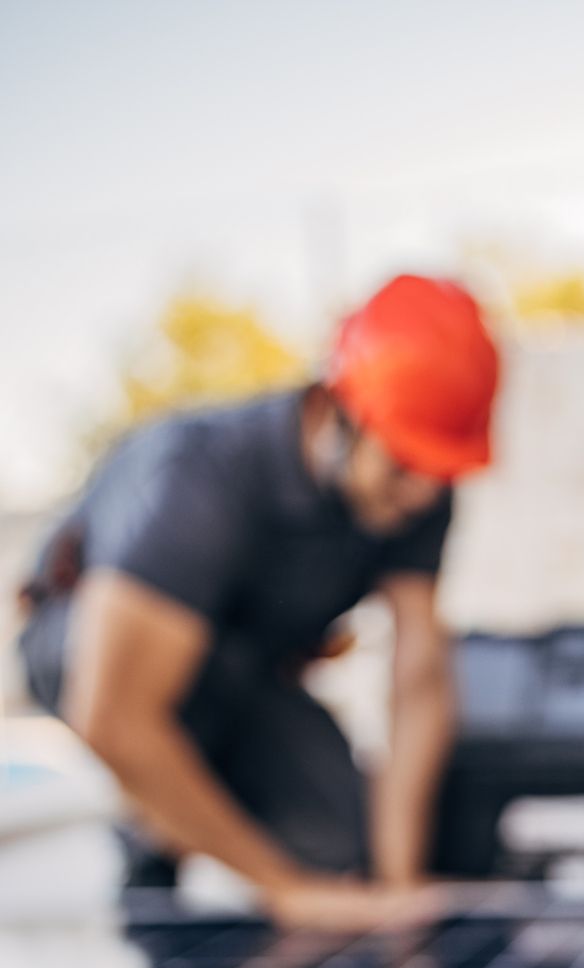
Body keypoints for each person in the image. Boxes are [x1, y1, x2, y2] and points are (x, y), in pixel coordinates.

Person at [18, 273, 499, 931]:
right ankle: (152, 860)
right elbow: (112, 713)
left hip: (236, 668)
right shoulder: (205, 476)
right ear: (340, 412)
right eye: (403, 467)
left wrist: (395, 883)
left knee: (336, 835)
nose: (420, 495)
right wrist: (285, 891)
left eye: (439, 475)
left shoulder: (417, 489)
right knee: (180, 729)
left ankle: (190, 829)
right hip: (89, 649)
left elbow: (418, 681)